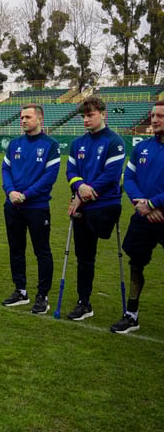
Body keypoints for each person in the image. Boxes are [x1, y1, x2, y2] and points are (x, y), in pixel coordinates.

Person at [65, 96, 125, 321]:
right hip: (84, 203)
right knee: (84, 257)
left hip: (105, 205)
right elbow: (70, 172)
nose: (86, 120)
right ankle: (84, 302)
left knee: (94, 247)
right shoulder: (77, 143)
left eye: (90, 115)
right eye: (84, 116)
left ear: (103, 114)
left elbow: (111, 176)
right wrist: (80, 187)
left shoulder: (114, 141)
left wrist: (83, 196)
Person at [0, 104, 61, 315]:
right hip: (12, 205)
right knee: (16, 249)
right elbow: (5, 169)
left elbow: (49, 177)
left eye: (27, 117)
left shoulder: (51, 145)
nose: (23, 120)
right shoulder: (15, 144)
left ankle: (42, 296)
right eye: (21, 117)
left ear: (40, 119)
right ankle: (20, 291)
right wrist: (10, 192)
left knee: (41, 251)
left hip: (36, 206)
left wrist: (25, 195)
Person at [110, 101, 164, 334]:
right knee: (136, 264)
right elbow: (129, 178)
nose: (154, 120)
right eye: (153, 115)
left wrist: (153, 204)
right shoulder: (142, 148)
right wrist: (141, 203)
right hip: (142, 217)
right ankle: (131, 314)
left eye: (160, 116)